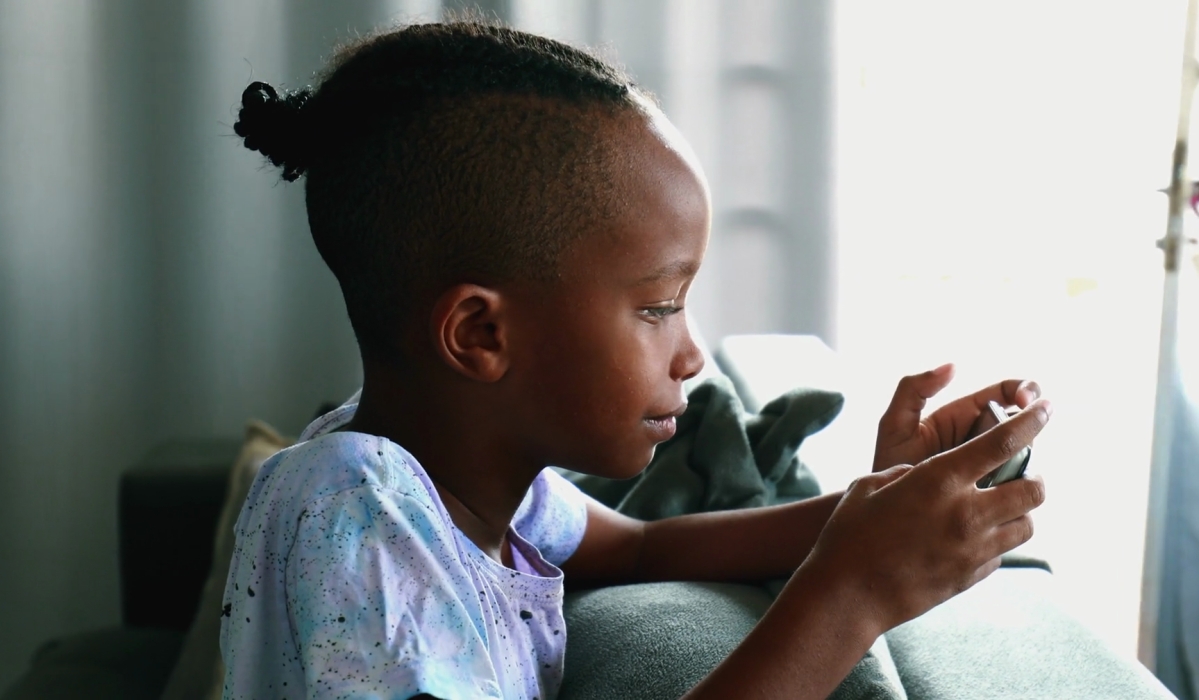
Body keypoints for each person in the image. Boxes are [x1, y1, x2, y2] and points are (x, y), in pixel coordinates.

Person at [220, 19, 1051, 700]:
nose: (691, 355)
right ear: (480, 335)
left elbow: (644, 550)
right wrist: (852, 596)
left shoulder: (471, 484)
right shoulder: (354, 514)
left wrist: (877, 506)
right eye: (657, 307)